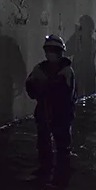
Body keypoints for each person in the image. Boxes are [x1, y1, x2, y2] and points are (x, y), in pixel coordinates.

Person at [26, 34, 77, 177]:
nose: (51, 53)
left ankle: (61, 175)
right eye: (48, 50)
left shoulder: (67, 71)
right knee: (43, 145)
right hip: (43, 111)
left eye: (54, 50)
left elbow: (69, 95)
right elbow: (30, 88)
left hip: (61, 113)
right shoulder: (39, 69)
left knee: (63, 146)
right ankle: (45, 173)